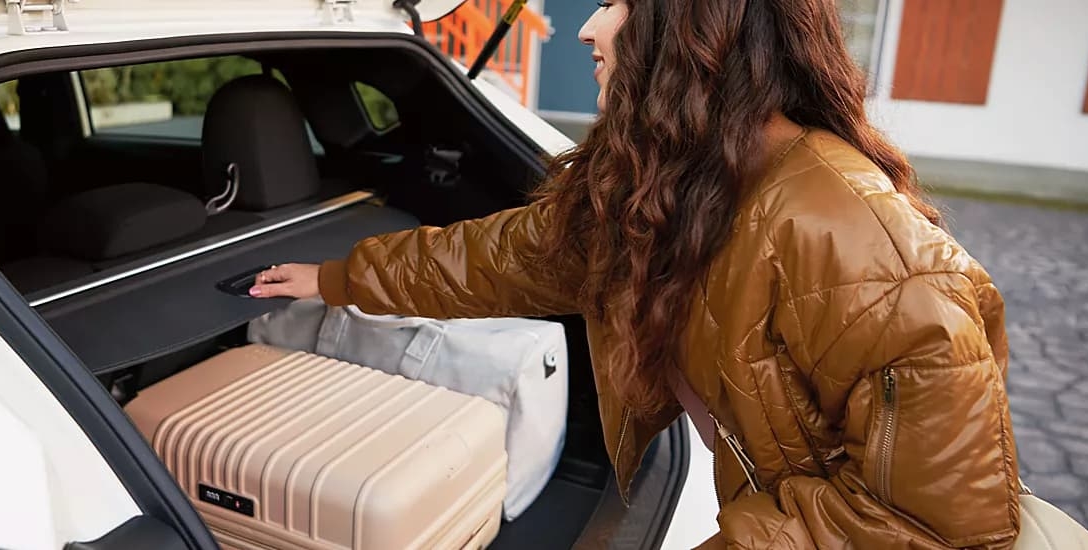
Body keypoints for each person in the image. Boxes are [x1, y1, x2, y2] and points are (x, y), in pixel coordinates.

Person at [250, 0, 1022, 547]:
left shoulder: (866, 246)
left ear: (693, 23)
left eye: (615, 1)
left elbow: (932, 528)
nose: (587, 26)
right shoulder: (674, 186)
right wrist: (338, 280)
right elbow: (495, 259)